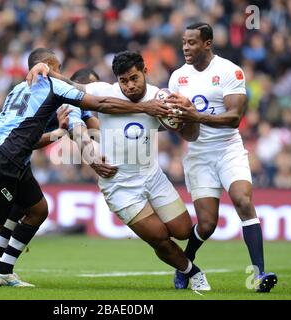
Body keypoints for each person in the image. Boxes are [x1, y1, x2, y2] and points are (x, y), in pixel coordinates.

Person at [0, 48, 170, 287]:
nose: (62, 74)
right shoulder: (52, 83)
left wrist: (59, 133)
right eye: (59, 69)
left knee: (36, 209)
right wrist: (147, 107)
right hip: (3, 158)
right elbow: (100, 103)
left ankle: (2, 268)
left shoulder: (20, 89)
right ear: (49, 67)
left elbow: (27, 138)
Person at [29, 51, 210, 290]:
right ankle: (191, 271)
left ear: (145, 71)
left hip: (152, 175)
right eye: (123, 81)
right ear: (116, 80)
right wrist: (46, 69)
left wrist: (190, 117)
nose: (130, 85)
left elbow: (190, 135)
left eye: (134, 78)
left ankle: (182, 262)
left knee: (184, 230)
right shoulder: (105, 91)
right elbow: (73, 84)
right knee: (159, 238)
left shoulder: (162, 98)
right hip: (119, 183)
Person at [166, 23, 277, 292]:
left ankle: (259, 275)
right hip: (199, 155)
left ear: (207, 43)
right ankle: (185, 265)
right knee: (206, 225)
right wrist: (179, 123)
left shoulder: (229, 71)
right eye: (183, 42)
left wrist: (197, 116)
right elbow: (180, 125)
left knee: (243, 200)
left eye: (192, 42)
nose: (185, 47)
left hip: (228, 149)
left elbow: (234, 118)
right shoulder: (178, 77)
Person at [0, 67, 107, 281]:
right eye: (92, 87)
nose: (94, 93)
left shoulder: (64, 99)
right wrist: (92, 158)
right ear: (80, 84)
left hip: (7, 149)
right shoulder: (69, 101)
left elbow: (96, 129)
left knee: (23, 205)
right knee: (30, 210)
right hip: (9, 153)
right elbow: (76, 130)